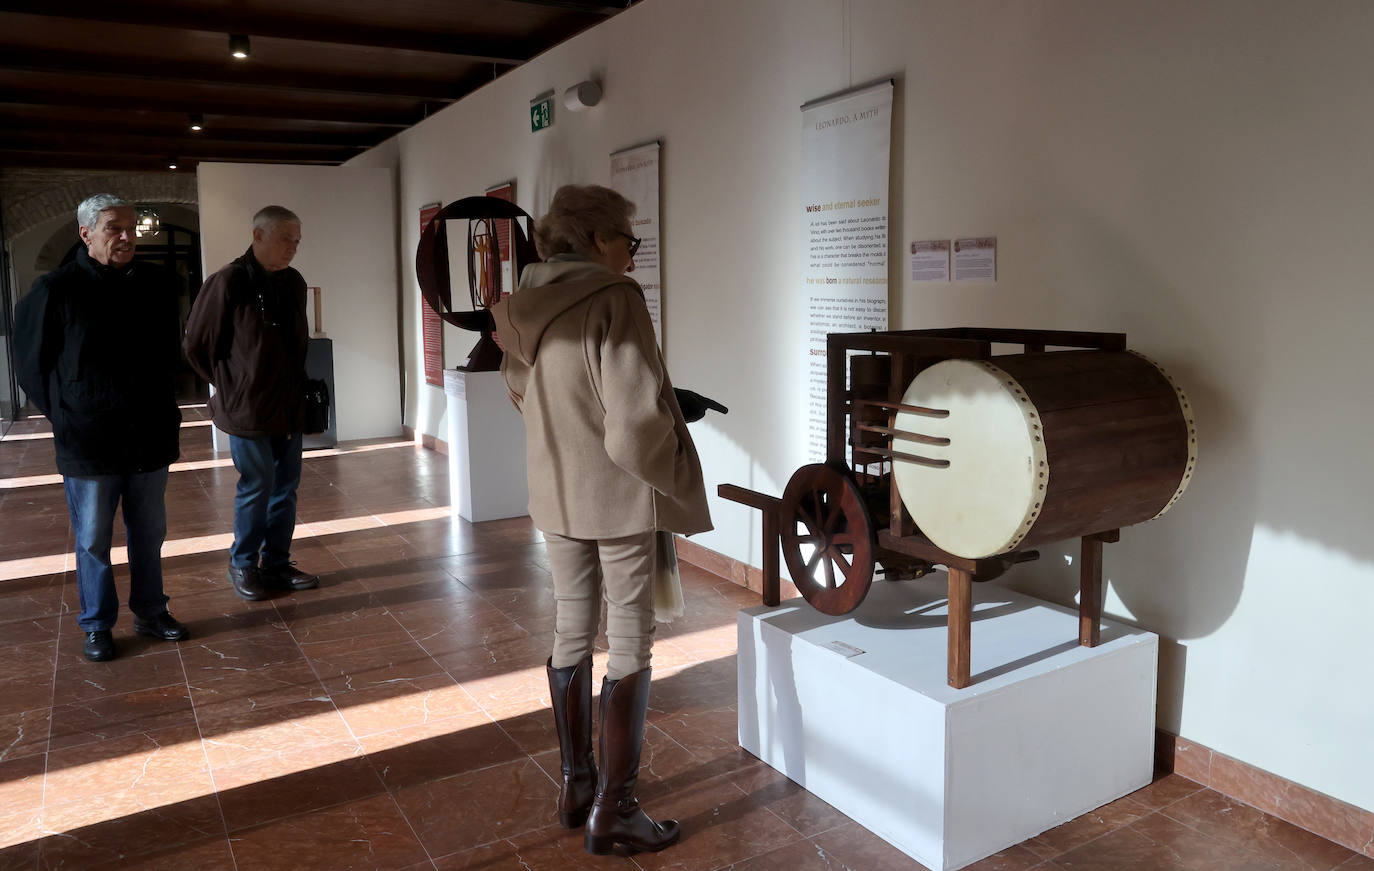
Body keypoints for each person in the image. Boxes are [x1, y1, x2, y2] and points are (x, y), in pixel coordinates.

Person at [491, 184, 712, 856]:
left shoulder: (523, 304)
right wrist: (674, 445)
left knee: (570, 621)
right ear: (595, 239)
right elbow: (635, 424)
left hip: (557, 490)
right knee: (629, 636)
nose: (632, 254)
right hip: (617, 496)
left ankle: (577, 783)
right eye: (627, 240)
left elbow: (523, 391)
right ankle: (618, 809)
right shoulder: (615, 300)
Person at [13, 193, 187, 662]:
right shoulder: (56, 289)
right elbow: (30, 364)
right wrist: (68, 411)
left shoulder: (156, 283)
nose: (127, 236)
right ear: (86, 233)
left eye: (131, 227)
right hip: (88, 439)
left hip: (148, 433)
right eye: (114, 227)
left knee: (149, 534)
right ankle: (97, 624)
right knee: (92, 539)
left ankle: (152, 612)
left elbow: (170, 353)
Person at [183, 205, 319, 601]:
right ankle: (243, 564)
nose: (292, 248)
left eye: (297, 241)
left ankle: (276, 564)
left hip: (287, 405)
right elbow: (196, 345)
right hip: (246, 409)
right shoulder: (227, 281)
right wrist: (231, 385)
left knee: (286, 487)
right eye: (284, 239)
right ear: (258, 235)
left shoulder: (293, 282)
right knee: (257, 485)